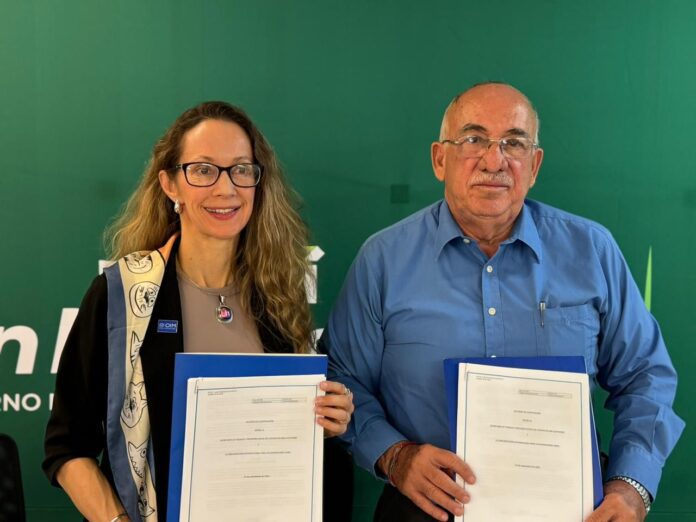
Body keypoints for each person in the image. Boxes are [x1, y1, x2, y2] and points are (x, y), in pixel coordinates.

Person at [321, 82, 684, 522]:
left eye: (514, 143)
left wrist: (631, 486)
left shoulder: (592, 250)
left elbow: (645, 376)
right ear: (440, 159)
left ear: (534, 164)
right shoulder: (382, 260)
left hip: (570, 508)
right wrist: (394, 455)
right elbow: (343, 381)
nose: (494, 161)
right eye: (473, 139)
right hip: (426, 504)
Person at [43, 101, 355, 522]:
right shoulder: (122, 295)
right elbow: (67, 447)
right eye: (203, 170)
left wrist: (328, 420)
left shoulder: (278, 295)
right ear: (170, 184)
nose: (226, 189)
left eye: (241, 170)